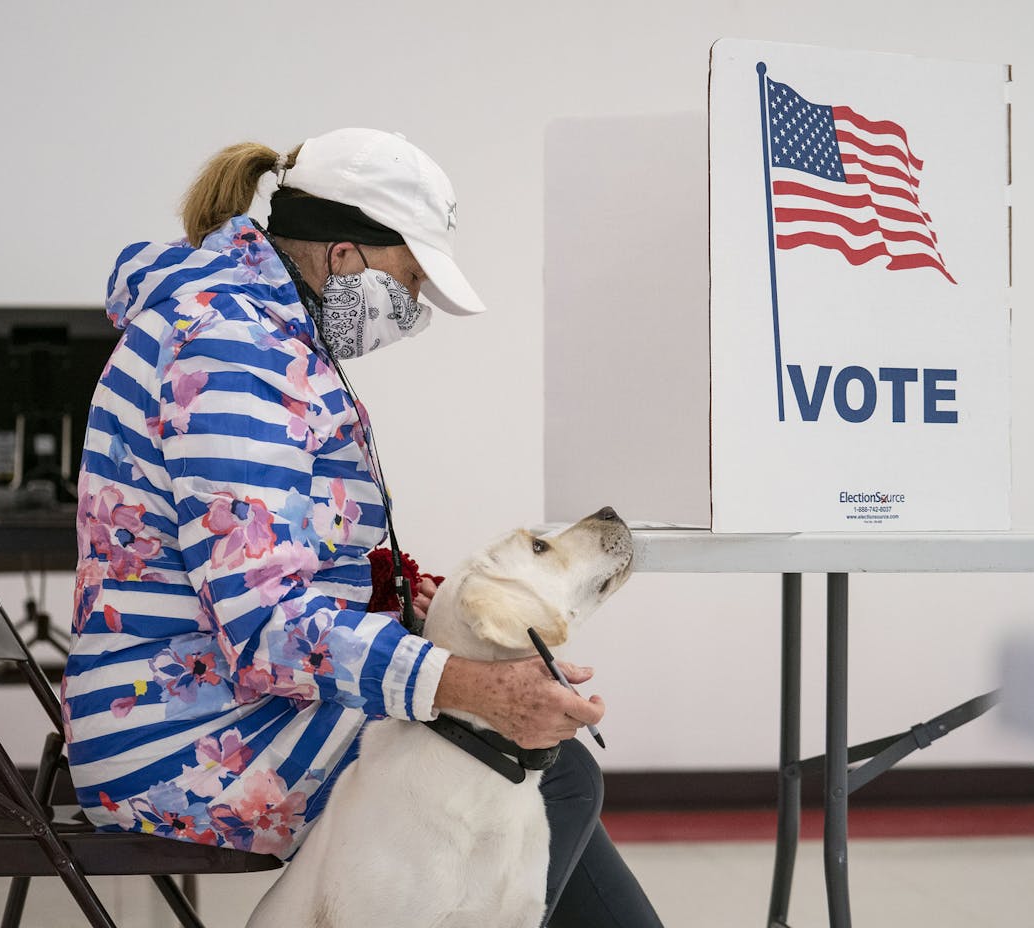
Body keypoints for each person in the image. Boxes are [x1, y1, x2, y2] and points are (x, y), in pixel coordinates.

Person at [64, 127, 662, 927]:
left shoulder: (263, 331)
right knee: (525, 762)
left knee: (537, 763)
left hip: (217, 702)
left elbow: (289, 564)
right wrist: (466, 681)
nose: (412, 310)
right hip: (185, 741)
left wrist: (411, 607)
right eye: (409, 279)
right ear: (343, 256)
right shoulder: (234, 350)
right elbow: (267, 624)